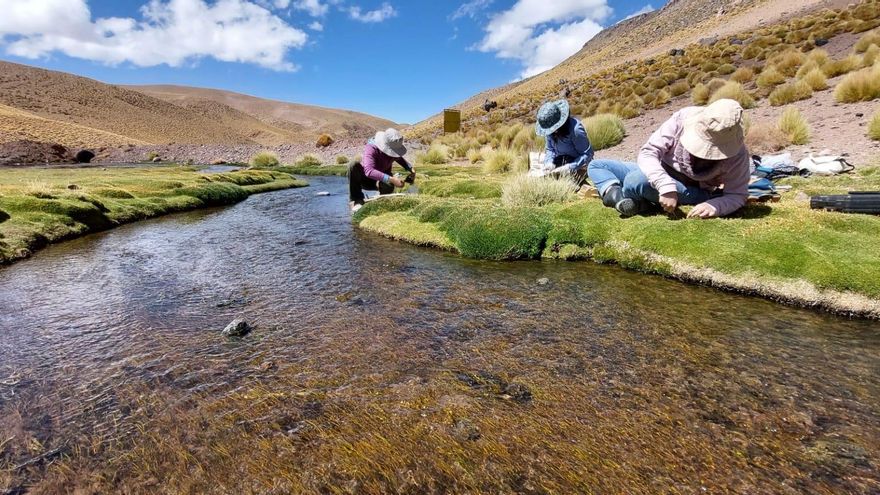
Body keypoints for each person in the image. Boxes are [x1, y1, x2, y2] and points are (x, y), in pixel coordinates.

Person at [587, 98, 750, 219]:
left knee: (635, 180)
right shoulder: (683, 118)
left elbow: (737, 195)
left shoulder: (737, 155)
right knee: (597, 166)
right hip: (661, 170)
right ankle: (618, 197)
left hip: (691, 188)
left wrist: (714, 205)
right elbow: (648, 152)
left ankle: (631, 198)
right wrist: (665, 185)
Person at [348, 128, 414, 212]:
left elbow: (400, 159)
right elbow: (369, 171)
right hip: (366, 180)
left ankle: (383, 198)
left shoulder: (394, 149)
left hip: (383, 181)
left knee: (387, 191)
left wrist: (411, 169)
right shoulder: (371, 148)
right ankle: (357, 199)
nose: (393, 154)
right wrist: (393, 179)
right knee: (353, 165)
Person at [535, 99, 593, 189]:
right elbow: (550, 149)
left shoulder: (576, 130)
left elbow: (587, 154)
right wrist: (549, 162)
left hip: (577, 164)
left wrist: (569, 167)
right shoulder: (550, 131)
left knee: (564, 186)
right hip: (559, 161)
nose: (553, 132)